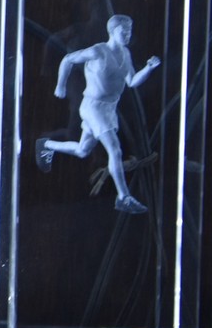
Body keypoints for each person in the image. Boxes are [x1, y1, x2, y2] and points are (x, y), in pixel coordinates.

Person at [35, 14, 159, 214]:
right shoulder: (98, 51)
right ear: (112, 31)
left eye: (130, 31)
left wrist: (148, 68)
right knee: (115, 150)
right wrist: (61, 85)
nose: (128, 34)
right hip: (93, 108)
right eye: (124, 31)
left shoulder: (125, 54)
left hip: (109, 109)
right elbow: (68, 59)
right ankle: (123, 197)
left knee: (83, 150)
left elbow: (132, 81)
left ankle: (46, 145)